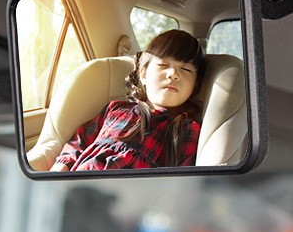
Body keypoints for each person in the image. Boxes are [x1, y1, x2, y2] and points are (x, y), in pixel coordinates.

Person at [52, 29, 206, 171]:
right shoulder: (116, 109)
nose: (173, 74)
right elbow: (80, 141)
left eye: (186, 69)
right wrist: (62, 167)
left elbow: (182, 180)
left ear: (195, 85)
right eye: (163, 64)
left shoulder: (187, 129)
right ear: (143, 74)